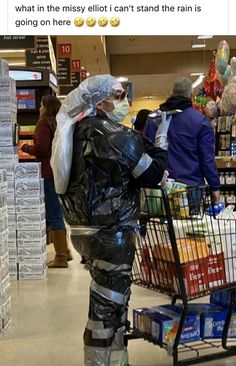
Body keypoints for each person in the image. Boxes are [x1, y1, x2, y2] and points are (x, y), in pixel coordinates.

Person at [50, 74, 168, 366]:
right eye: (117, 95)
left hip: (85, 233)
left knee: (112, 303)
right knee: (104, 312)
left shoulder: (73, 130)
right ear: (99, 101)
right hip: (111, 235)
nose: (122, 101)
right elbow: (153, 175)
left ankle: (117, 360)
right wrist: (160, 140)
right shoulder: (113, 136)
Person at [144, 77, 220, 203]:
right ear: (191, 95)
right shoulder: (200, 122)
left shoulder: (153, 118)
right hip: (191, 187)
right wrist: (214, 186)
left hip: (160, 189)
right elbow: (207, 159)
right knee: (192, 223)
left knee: (160, 222)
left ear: (172, 93)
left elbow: (146, 154)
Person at [21, 95, 72, 268]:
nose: (39, 109)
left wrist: (26, 148)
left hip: (48, 173)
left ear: (47, 107)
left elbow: (41, 149)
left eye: (41, 105)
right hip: (61, 172)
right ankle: (67, 252)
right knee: (59, 212)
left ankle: (60, 257)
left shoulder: (43, 123)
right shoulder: (60, 122)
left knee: (54, 214)